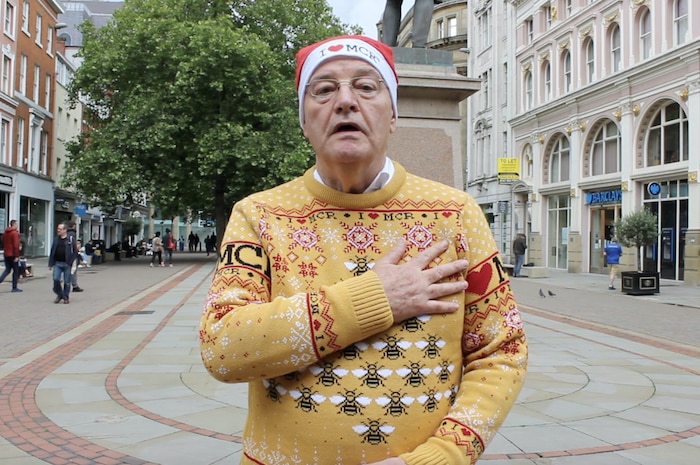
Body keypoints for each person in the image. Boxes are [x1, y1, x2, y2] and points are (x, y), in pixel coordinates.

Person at [199, 35, 527, 465]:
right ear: (304, 119)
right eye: (324, 88)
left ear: (393, 115)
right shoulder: (259, 215)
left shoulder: (456, 214)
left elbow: (502, 350)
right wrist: (375, 298)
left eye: (367, 87)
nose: (346, 101)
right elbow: (223, 348)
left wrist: (445, 455)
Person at [48, 222, 79, 304]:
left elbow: (75, 252)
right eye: (58, 229)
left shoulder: (70, 239)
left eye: (60, 229)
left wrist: (71, 262)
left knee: (67, 282)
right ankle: (60, 294)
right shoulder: (56, 239)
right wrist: (50, 263)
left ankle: (66, 297)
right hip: (57, 263)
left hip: (67, 264)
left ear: (65, 230)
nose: (58, 231)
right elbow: (52, 251)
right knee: (56, 279)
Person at [0, 219, 22, 292]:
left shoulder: (5, 233)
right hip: (12, 254)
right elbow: (16, 245)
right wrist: (17, 256)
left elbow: (3, 242)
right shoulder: (15, 233)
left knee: (7, 270)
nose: (17, 225)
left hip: (6, 253)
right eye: (16, 224)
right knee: (16, 270)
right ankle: (14, 287)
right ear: (14, 224)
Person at [66, 221, 84, 292]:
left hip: (67, 255)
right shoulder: (72, 234)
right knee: (73, 270)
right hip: (73, 255)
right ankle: (74, 285)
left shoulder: (66, 233)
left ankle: (71, 284)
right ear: (73, 226)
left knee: (69, 270)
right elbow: (74, 246)